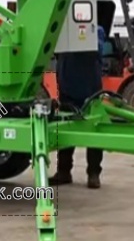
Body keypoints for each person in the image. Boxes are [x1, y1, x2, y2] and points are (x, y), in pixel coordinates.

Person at [50, 24, 106, 189]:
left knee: (94, 133)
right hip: (67, 87)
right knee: (66, 130)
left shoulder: (95, 30)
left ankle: (94, 173)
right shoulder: (61, 30)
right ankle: (64, 171)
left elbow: (97, 50)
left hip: (90, 89)